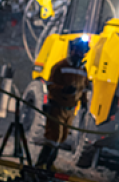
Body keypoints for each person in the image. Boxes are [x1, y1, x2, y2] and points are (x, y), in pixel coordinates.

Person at [34, 37, 90, 170]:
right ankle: (40, 165)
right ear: (72, 50)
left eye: (82, 52)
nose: (79, 54)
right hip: (57, 107)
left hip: (70, 110)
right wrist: (63, 89)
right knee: (53, 138)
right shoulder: (60, 66)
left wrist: (84, 102)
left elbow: (84, 88)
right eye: (77, 51)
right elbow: (51, 85)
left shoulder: (83, 70)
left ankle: (49, 164)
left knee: (61, 138)